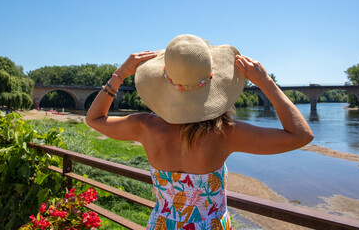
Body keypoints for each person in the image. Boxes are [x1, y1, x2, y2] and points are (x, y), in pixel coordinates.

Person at [85, 34, 313, 230]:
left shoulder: (145, 126)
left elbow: (94, 119)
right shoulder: (224, 133)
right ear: (212, 79)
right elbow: (301, 135)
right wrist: (265, 82)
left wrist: (120, 74)